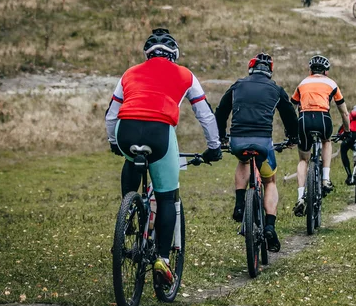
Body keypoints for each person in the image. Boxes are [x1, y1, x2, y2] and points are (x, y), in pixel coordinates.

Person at [105, 28, 222, 285]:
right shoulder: (185, 75)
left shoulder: (129, 73)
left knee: (130, 158)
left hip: (126, 130)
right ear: (175, 54)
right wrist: (214, 146)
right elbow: (204, 114)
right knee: (167, 197)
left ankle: (128, 213)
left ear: (147, 54)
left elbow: (111, 114)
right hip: (159, 132)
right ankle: (163, 260)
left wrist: (114, 142)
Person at [215, 53, 298, 253]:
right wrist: (293, 138)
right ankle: (270, 225)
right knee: (270, 181)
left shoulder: (237, 86)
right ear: (270, 71)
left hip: (238, 141)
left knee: (243, 162)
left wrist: (221, 137)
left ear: (250, 68)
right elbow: (289, 115)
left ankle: (240, 204)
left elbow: (221, 112)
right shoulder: (276, 89)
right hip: (263, 143)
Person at [291, 55, 350, 217]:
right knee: (327, 141)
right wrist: (347, 130)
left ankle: (300, 197)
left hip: (303, 120)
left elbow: (291, 108)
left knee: (303, 159)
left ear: (310, 70)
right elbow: (344, 112)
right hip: (323, 119)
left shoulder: (302, 83)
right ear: (326, 71)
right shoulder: (331, 83)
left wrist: (290, 131)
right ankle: (325, 179)